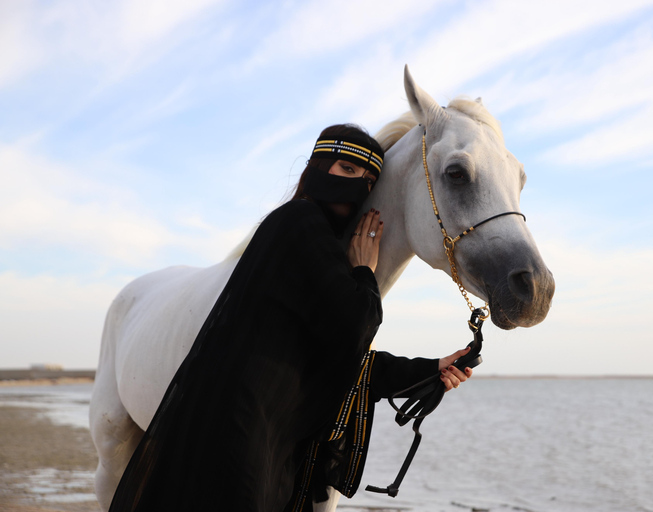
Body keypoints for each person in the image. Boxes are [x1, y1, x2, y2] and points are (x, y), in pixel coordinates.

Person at [108, 124, 473, 512]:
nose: (357, 188)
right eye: (347, 170)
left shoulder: (309, 243)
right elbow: (355, 327)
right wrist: (365, 271)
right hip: (240, 441)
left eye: (368, 181)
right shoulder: (300, 222)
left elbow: (331, 357)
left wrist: (431, 369)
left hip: (261, 440)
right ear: (318, 166)